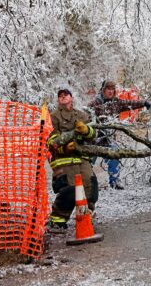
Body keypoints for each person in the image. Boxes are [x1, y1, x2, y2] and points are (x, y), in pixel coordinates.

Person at [46, 88, 99, 232]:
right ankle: (57, 221)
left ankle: (86, 217)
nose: (63, 97)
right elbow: (52, 141)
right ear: (58, 100)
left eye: (66, 95)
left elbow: (93, 134)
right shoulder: (52, 117)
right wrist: (65, 147)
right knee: (68, 190)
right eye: (60, 96)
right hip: (63, 160)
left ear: (71, 98)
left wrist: (86, 131)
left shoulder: (82, 115)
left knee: (90, 186)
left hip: (81, 158)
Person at [88, 80, 151, 190]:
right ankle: (86, 181)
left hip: (108, 139)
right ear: (103, 90)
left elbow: (130, 103)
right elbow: (85, 115)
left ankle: (115, 181)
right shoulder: (95, 103)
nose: (110, 91)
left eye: (112, 89)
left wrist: (144, 103)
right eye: (108, 89)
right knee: (87, 161)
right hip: (93, 139)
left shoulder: (116, 102)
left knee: (115, 153)